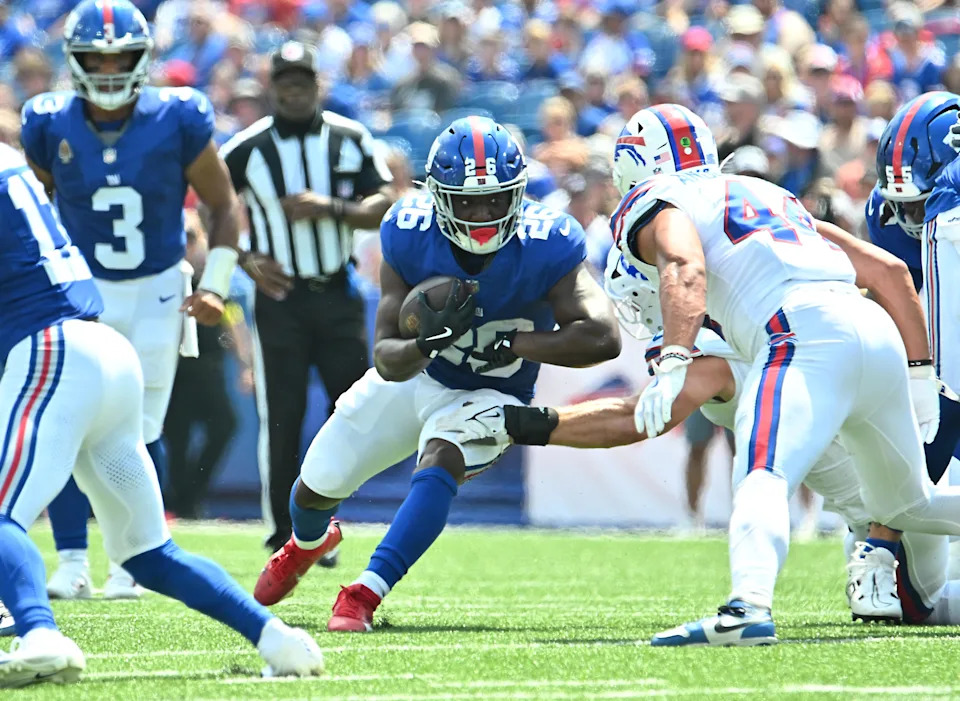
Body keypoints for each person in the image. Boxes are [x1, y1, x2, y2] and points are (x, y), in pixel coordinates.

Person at [436, 243, 960, 629]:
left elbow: (636, 418)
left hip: (892, 529)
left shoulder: (719, 345)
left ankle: (750, 605)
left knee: (922, 590)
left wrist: (520, 424)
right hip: (873, 516)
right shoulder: (759, 312)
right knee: (912, 524)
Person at [604, 103, 960, 645]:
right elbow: (888, 272)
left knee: (763, 473)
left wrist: (675, 357)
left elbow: (684, 265)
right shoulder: (764, 193)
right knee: (910, 504)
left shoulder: (657, 202)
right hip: (873, 328)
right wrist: (917, 377)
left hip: (799, 332)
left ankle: (747, 607)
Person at [252, 116, 621, 632]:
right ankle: (308, 542)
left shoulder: (547, 238)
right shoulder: (408, 230)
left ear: (516, 193)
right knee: (313, 489)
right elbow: (385, 353)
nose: (483, 214)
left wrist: (514, 343)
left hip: (494, 391)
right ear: (439, 197)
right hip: (421, 375)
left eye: (495, 199)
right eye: (467, 201)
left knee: (441, 459)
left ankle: (363, 593)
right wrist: (428, 341)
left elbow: (603, 336)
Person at [0, 142, 323, 688]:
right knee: (149, 552)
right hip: (105, 349)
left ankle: (37, 631)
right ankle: (277, 639)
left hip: (53, 352)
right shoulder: (12, 162)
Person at [20, 0, 241, 600]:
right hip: (78, 290)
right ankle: (70, 562)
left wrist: (217, 282)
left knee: (140, 430)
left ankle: (131, 562)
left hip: (156, 291)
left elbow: (224, 205)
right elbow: (33, 213)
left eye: (122, 57)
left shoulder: (179, 116)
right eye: (97, 56)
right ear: (75, 59)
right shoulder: (47, 120)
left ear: (144, 58)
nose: (110, 69)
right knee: (63, 423)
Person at [220, 41, 395, 553]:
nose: (294, 93)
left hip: (337, 291)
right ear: (272, 89)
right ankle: (283, 532)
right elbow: (213, 211)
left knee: (350, 410)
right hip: (281, 299)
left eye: (303, 83)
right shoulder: (246, 148)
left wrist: (330, 208)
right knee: (283, 417)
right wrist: (248, 259)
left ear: (319, 86)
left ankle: (326, 521)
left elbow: (383, 201)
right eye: (285, 84)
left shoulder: (349, 137)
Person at [868, 92, 960, 478]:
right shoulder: (885, 217)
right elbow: (902, 299)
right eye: (903, 204)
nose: (909, 216)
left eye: (919, 204)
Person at [163, 212, 250, 519]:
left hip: (208, 368)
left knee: (225, 426)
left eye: (191, 237)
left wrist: (246, 365)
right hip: (173, 371)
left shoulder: (214, 282)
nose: (186, 245)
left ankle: (190, 495)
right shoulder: (164, 278)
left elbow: (233, 324)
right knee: (177, 437)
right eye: (181, 238)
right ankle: (181, 504)